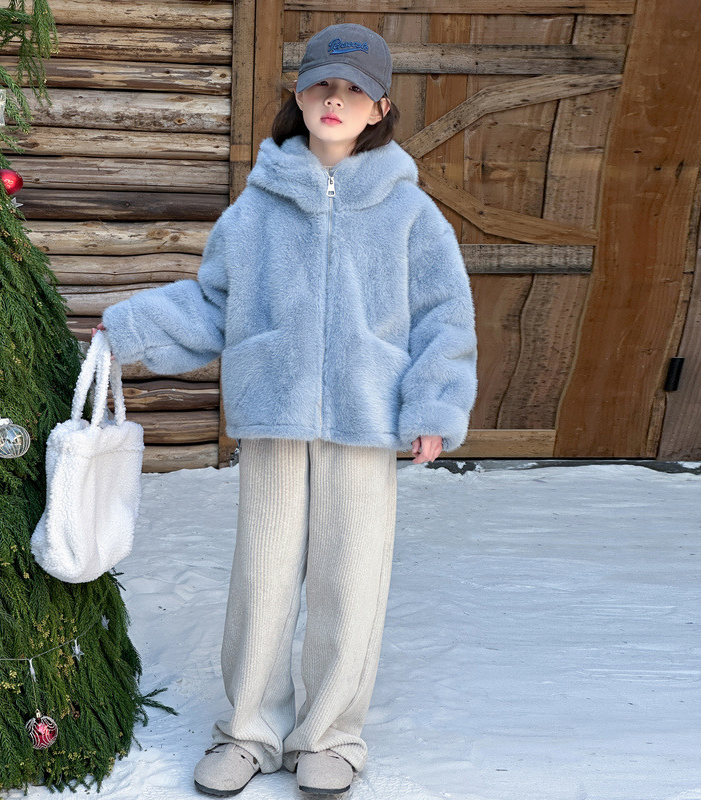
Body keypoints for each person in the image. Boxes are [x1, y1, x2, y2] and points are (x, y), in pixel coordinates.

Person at [94, 22, 477, 798]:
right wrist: (131, 328)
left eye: (353, 90)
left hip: (364, 425)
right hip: (273, 421)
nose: (336, 100)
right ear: (298, 98)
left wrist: (433, 406)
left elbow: (445, 315)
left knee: (350, 583)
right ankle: (248, 731)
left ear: (380, 108)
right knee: (262, 582)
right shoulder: (257, 208)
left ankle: (330, 736)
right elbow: (214, 304)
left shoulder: (410, 213)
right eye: (321, 86)